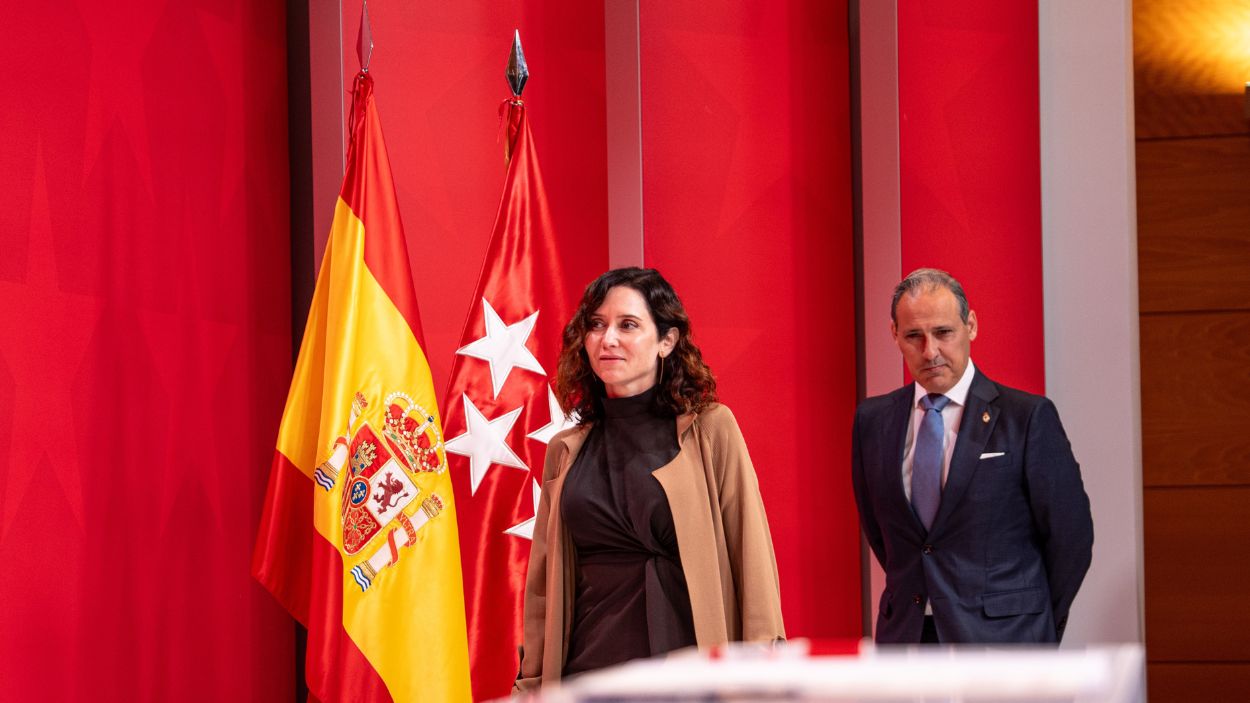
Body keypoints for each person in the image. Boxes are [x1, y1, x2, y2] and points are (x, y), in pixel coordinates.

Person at [514, 267, 784, 692]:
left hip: (689, 675)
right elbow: (543, 590)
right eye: (596, 325)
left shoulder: (711, 429)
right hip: (588, 674)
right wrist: (531, 685)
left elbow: (751, 561)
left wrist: (764, 680)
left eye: (628, 325)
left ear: (666, 341)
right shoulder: (566, 449)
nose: (608, 339)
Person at [851, 268, 1093, 644]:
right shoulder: (873, 421)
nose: (930, 351)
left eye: (943, 333)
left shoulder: (1027, 417)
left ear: (971, 326)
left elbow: (1071, 539)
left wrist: (1035, 624)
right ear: (894, 335)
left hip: (1006, 641)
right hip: (909, 641)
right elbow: (884, 536)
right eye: (914, 335)